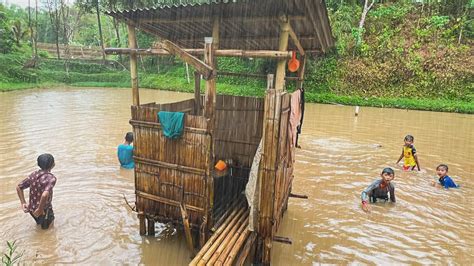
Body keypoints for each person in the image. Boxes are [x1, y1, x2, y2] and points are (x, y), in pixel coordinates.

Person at [16, 153, 57, 229]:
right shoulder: (51, 178)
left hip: (32, 209)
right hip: (44, 210)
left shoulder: (33, 175)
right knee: (48, 231)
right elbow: (44, 195)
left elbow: (19, 187)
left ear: (38, 164)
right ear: (53, 164)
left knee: (40, 225)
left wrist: (23, 203)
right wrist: (40, 209)